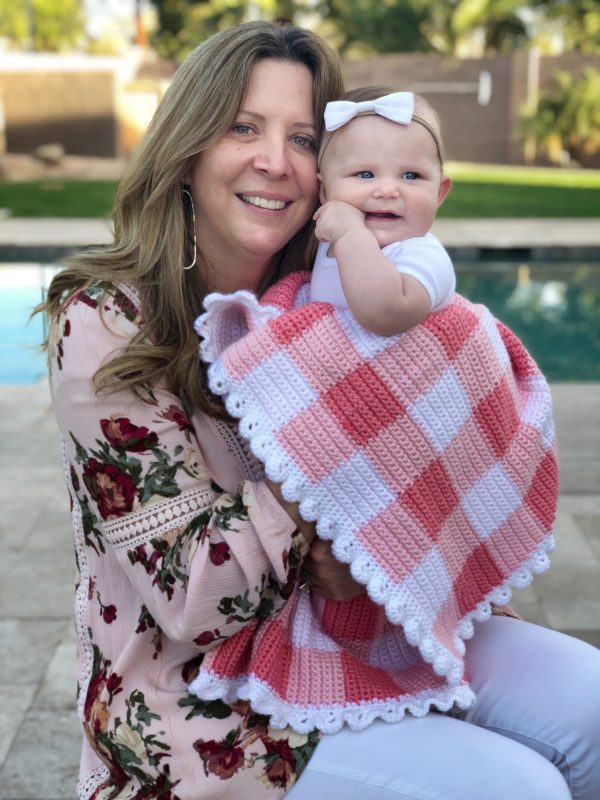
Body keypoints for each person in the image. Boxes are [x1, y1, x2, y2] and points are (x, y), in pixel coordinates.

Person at [39, 19, 600, 800]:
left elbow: (438, 431)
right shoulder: (108, 322)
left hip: (366, 630)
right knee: (519, 788)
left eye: (303, 136)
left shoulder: (338, 286)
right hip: (198, 700)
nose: (275, 161)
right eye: (244, 127)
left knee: (595, 704)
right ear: (189, 144)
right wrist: (341, 473)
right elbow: (195, 599)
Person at [310, 86, 455, 336]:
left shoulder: (425, 256)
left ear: (439, 193)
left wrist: (351, 234)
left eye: (411, 175)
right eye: (365, 174)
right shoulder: (324, 246)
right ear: (324, 191)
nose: (388, 190)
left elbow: (387, 313)